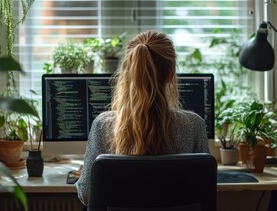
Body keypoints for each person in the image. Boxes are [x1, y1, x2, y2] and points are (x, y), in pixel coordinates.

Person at [74, 30, 209, 205]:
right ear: (171, 74)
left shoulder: (103, 125)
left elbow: (86, 196)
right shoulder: (194, 125)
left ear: (128, 72)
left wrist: (84, 177)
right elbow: (204, 191)